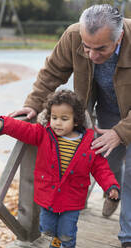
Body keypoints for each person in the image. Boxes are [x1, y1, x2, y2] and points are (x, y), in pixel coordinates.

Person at [9, 4, 131, 248]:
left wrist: (122, 131)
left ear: (119, 37)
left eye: (100, 49)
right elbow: (52, 73)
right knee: (110, 163)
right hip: (108, 110)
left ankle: (127, 237)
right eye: (87, 48)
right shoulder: (73, 35)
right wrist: (33, 104)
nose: (92, 55)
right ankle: (113, 190)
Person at [0, 89, 120, 248]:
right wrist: (3, 124)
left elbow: (101, 168)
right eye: (54, 118)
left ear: (76, 121)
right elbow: (23, 129)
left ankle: (66, 244)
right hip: (48, 194)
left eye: (64, 118)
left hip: (73, 198)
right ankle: (55, 242)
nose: (57, 123)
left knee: (67, 232)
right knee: (47, 228)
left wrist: (110, 186)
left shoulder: (89, 144)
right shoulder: (44, 134)